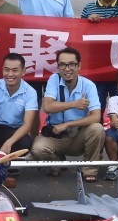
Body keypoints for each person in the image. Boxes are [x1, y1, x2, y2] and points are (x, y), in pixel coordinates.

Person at [29, 47, 105, 181]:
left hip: (78, 137)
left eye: (71, 64)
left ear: (79, 66)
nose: (67, 69)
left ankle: (90, 170)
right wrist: (74, 104)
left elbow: (96, 116)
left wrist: (68, 124)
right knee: (37, 149)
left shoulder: (89, 85)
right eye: (62, 65)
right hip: (56, 135)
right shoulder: (53, 79)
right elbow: (47, 106)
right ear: (58, 67)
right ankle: (57, 161)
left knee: (97, 129)